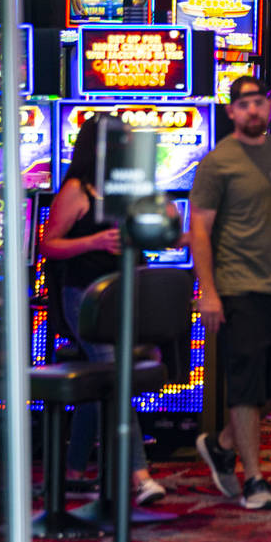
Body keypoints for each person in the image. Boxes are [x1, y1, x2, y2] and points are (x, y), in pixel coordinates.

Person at [191, 76, 271, 511]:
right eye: (243, 104)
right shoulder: (218, 163)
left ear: (268, 105)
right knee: (244, 385)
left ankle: (223, 444)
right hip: (237, 287)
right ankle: (254, 479)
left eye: (258, 102)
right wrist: (208, 291)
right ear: (231, 112)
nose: (252, 111)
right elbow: (199, 231)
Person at [40, 115, 166, 506]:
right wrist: (94, 241)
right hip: (83, 294)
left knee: (99, 385)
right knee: (115, 376)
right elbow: (49, 244)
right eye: (116, 140)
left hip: (122, 293)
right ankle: (139, 475)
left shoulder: (125, 186)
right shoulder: (78, 189)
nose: (123, 146)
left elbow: (157, 231)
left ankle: (75, 472)